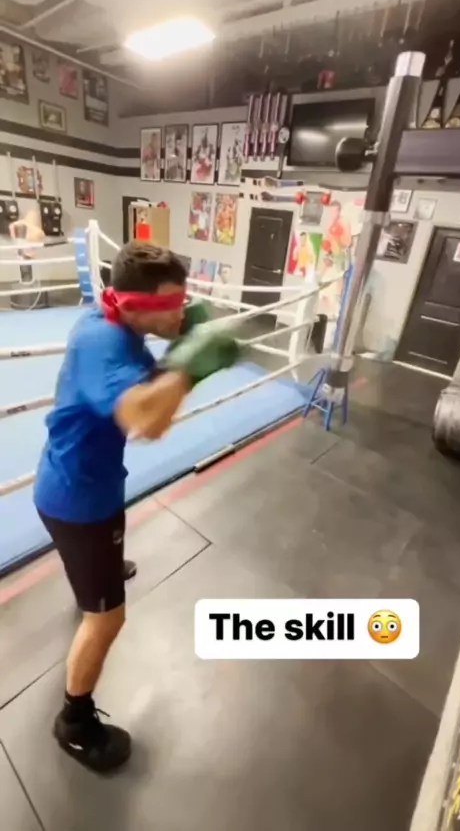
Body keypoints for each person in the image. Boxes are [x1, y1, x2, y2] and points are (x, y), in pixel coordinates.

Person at [34, 241, 240, 773]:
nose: (180, 312)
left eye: (182, 299)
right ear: (130, 303)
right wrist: (188, 368)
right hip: (80, 502)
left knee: (101, 568)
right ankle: (74, 721)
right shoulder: (103, 342)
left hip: (81, 485)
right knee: (108, 617)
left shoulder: (117, 326)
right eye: (170, 303)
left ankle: (92, 575)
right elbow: (146, 420)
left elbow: (150, 402)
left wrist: (177, 353)